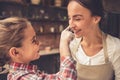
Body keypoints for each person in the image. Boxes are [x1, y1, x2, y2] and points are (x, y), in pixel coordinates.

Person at [0, 17, 77, 80]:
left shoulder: (25, 73)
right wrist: (64, 44)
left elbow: (56, 78)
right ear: (15, 52)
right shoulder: (22, 77)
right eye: (33, 40)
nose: (39, 43)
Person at [60, 0, 120, 80]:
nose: (71, 25)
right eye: (69, 18)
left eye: (77, 19)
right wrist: (63, 43)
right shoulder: (72, 46)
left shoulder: (115, 47)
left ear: (95, 19)